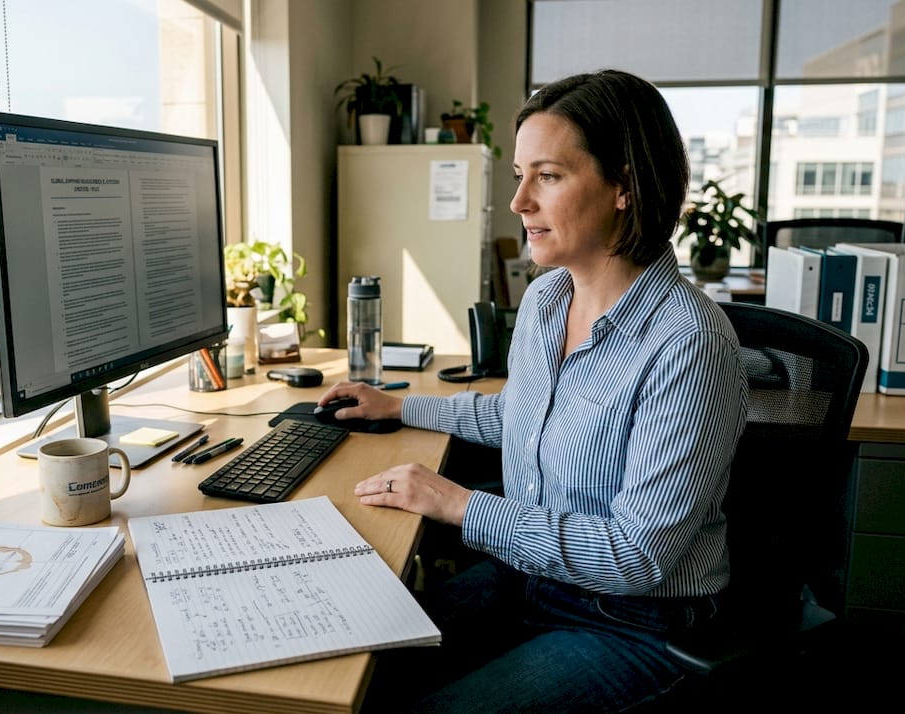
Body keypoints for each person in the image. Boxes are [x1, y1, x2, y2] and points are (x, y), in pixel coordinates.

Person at [317, 69, 748, 712]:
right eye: (520, 176)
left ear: (624, 185)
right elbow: (524, 417)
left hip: (632, 621)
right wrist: (403, 405)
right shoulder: (548, 298)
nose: (520, 202)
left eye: (547, 176)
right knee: (351, 665)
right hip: (531, 581)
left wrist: (461, 505)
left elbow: (637, 557)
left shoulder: (690, 344)